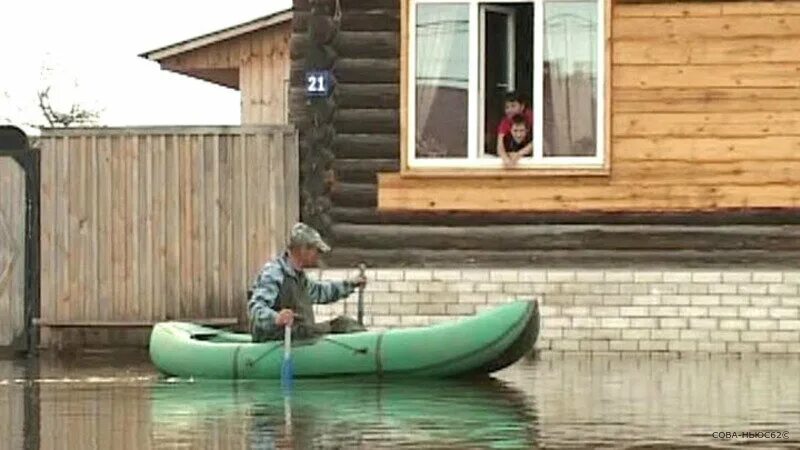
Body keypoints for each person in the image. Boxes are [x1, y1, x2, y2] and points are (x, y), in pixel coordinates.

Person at [247, 222, 367, 342]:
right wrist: (276, 318)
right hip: (279, 340)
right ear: (304, 249)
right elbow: (256, 308)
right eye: (316, 251)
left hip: (301, 335)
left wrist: (351, 284)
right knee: (342, 325)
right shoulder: (275, 272)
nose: (318, 256)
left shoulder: (299, 277)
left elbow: (321, 292)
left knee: (344, 324)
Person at [495, 91, 533, 166]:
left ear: (522, 107)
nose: (509, 110)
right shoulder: (505, 121)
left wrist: (518, 154)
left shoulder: (530, 116)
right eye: (507, 107)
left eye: (513, 106)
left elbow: (538, 141)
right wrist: (506, 159)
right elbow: (500, 145)